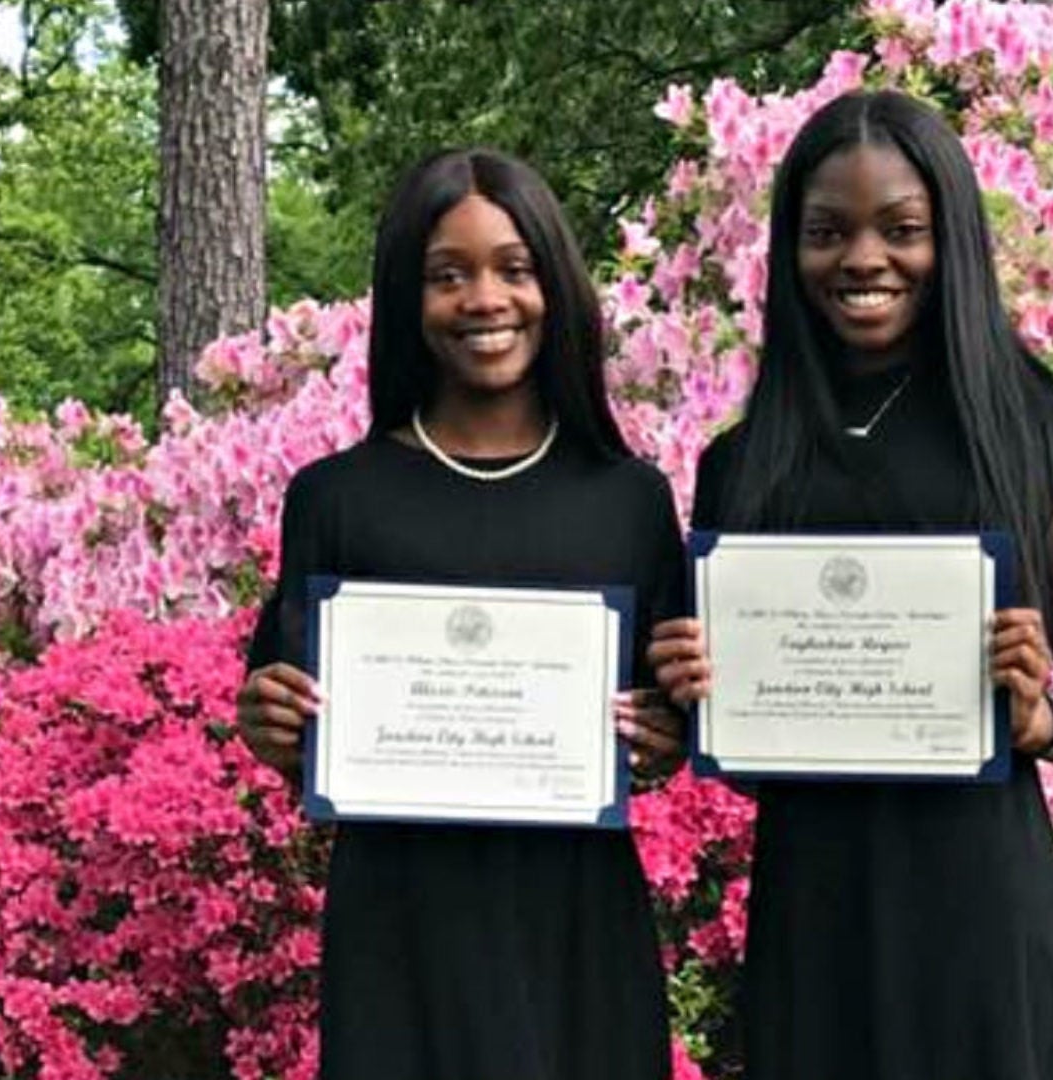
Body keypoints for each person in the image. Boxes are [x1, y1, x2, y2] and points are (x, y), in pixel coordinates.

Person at [648, 91, 1053, 1079]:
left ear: (948, 237)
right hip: (816, 914)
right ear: (791, 252)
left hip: (984, 917)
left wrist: (1040, 716)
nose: (863, 259)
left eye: (901, 230)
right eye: (828, 232)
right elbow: (749, 759)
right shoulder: (743, 462)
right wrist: (703, 695)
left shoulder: (1032, 424)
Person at [235, 148, 687, 1080]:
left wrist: (663, 732)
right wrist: (270, 720)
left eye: (514, 269)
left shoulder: (630, 500)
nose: (485, 299)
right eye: (449, 275)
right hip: (402, 935)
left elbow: (669, 716)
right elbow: (290, 718)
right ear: (409, 297)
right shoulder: (335, 499)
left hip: (577, 933)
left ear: (554, 285)